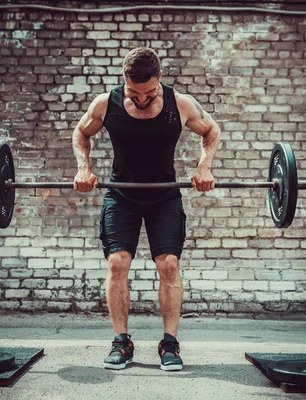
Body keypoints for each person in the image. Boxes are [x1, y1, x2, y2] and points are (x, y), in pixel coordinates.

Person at [72, 47, 221, 371]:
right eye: (133, 92)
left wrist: (204, 167)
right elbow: (81, 133)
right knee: (117, 263)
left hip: (164, 196)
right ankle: (121, 342)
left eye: (149, 93)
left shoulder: (179, 103)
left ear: (160, 80)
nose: (141, 99)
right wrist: (84, 168)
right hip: (121, 195)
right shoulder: (105, 103)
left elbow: (211, 131)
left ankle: (169, 345)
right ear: (124, 81)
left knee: (168, 265)